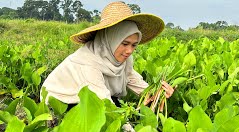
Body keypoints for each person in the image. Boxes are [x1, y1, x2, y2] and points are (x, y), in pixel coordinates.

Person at [41, 1, 174, 107]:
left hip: (96, 97)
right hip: (62, 103)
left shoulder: (123, 59)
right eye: (125, 43)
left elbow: (135, 82)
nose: (129, 51)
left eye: (134, 45)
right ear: (110, 41)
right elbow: (105, 106)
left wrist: (158, 93)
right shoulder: (88, 63)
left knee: (116, 105)